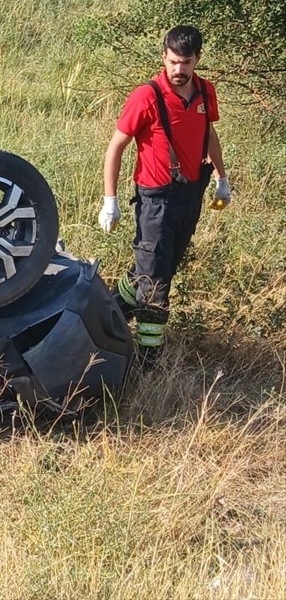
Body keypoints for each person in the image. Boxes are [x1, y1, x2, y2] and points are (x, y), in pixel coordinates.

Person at [97, 25, 230, 367]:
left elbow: (209, 133)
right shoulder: (147, 96)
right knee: (155, 283)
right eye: (173, 62)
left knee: (159, 269)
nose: (178, 70)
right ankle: (147, 363)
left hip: (190, 195)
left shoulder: (205, 92)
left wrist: (221, 177)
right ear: (163, 58)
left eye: (186, 62)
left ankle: (103, 318)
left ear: (197, 59)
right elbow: (116, 147)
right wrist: (109, 200)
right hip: (154, 199)